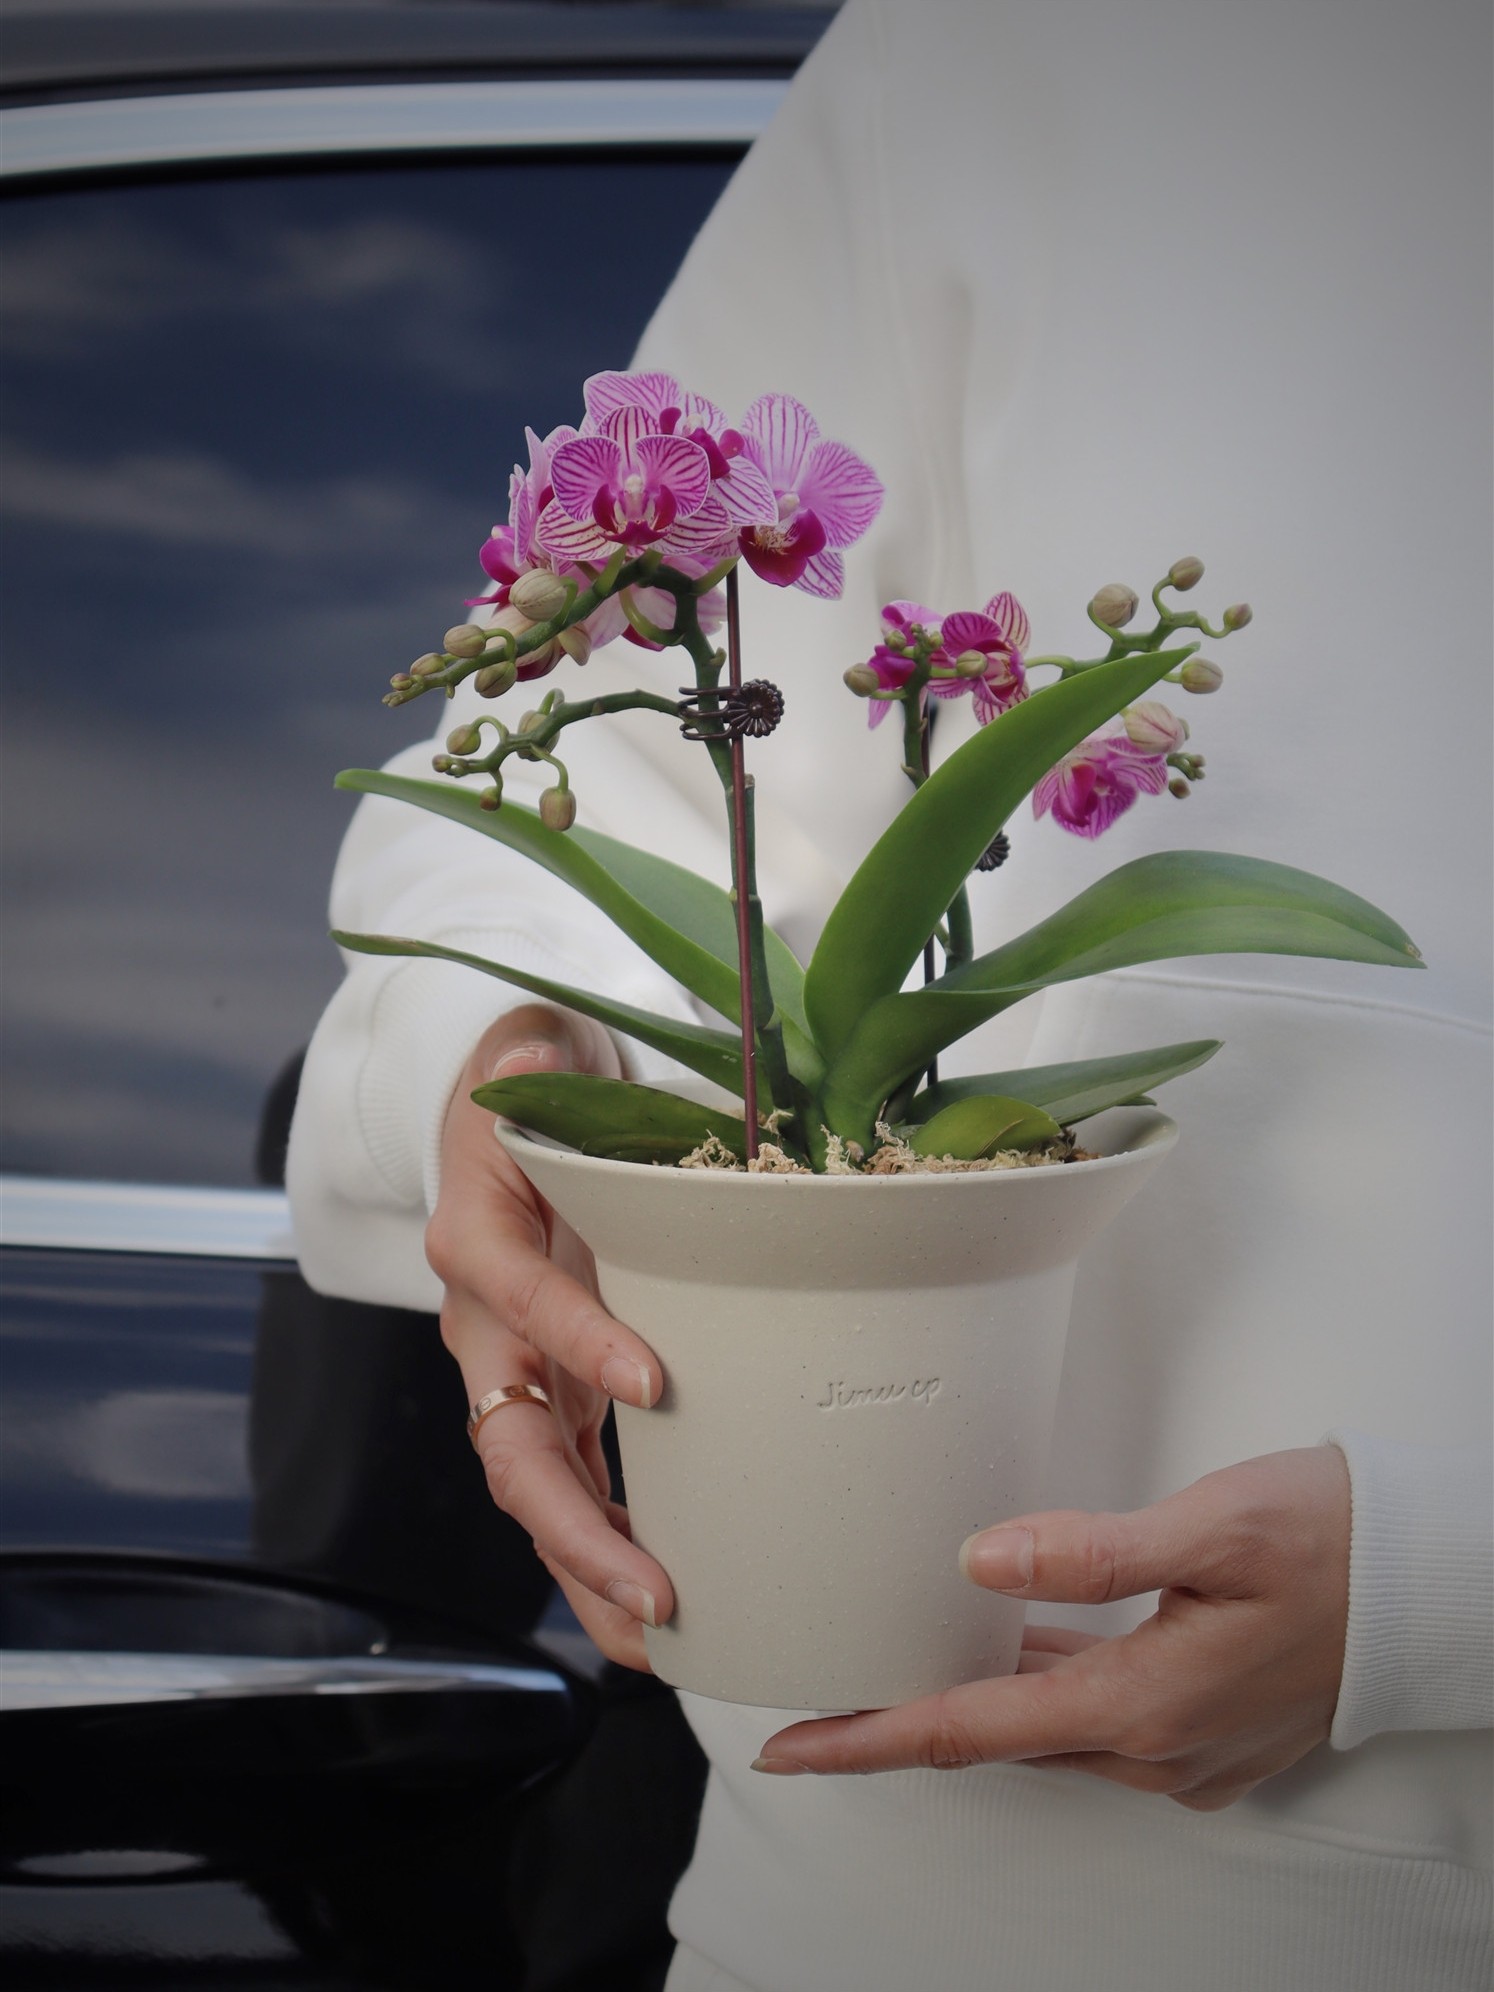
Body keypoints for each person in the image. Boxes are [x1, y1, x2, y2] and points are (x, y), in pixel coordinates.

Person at [288, 0, 1492, 1985]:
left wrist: (1445, 1599)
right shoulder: (1012, 51)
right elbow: (539, 764)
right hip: (875, 1896)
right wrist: (502, 1067)